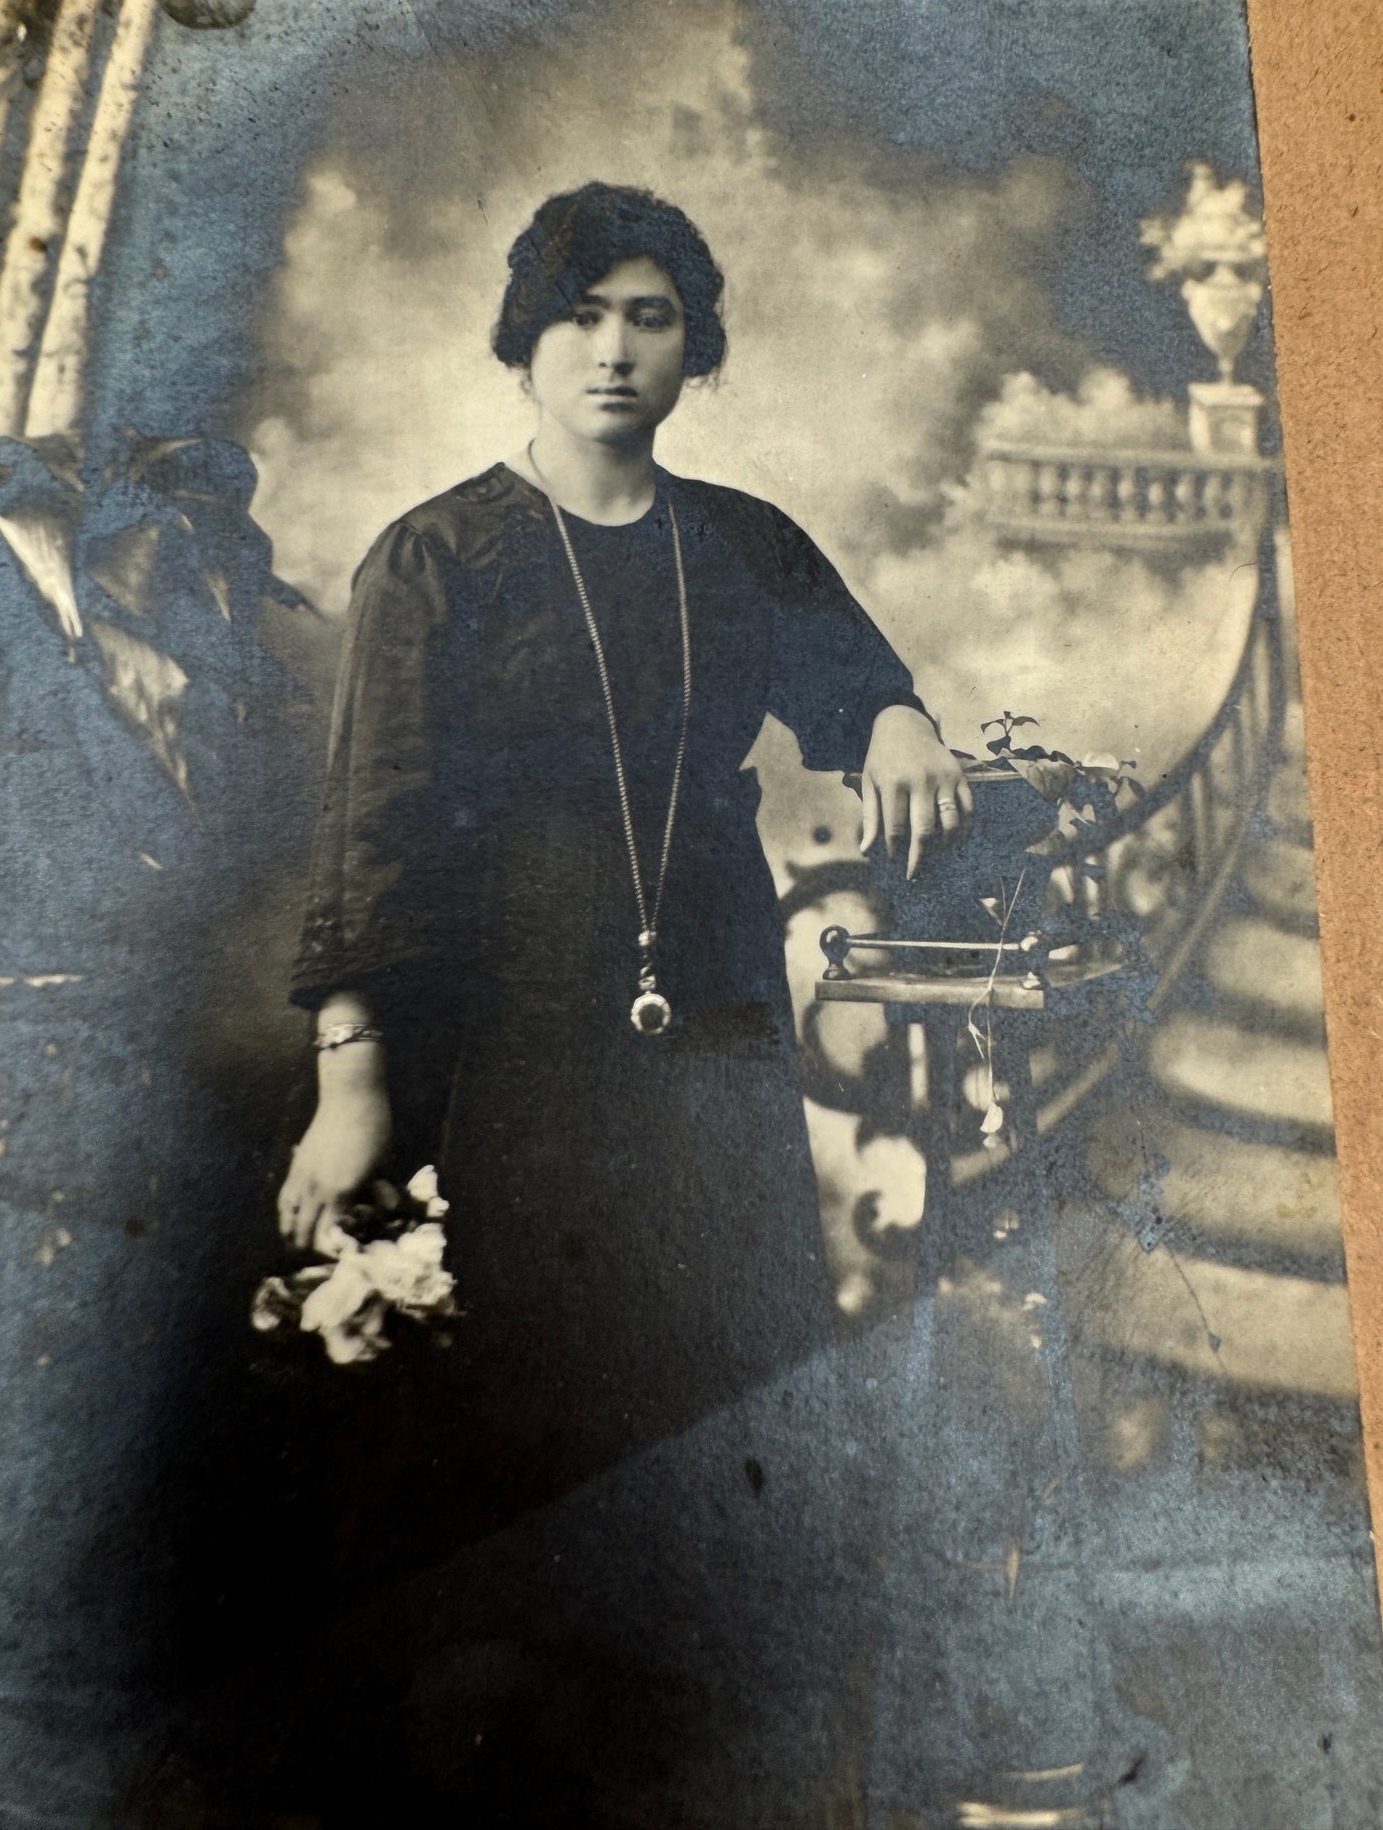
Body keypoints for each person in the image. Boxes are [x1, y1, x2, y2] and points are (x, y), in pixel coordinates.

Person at [272, 180, 971, 1824]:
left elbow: (855, 674)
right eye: (581, 315)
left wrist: (895, 721)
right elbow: (369, 840)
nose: (612, 351)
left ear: (692, 347)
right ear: (525, 338)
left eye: (649, 318)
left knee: (723, 1397)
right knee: (520, 1430)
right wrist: (355, 1075)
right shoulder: (433, 557)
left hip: (714, 1028)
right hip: (505, 1035)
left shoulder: (738, 542)